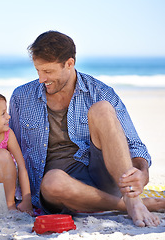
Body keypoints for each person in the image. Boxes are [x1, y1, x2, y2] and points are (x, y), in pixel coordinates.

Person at [9, 30, 165, 227]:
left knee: (102, 110)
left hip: (103, 177)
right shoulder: (21, 97)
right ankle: (133, 205)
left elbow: (134, 145)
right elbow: (11, 150)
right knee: (52, 182)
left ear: (69, 64)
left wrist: (142, 172)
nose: (41, 79)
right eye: (38, 70)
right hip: (59, 188)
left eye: (48, 71)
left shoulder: (100, 92)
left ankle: (132, 200)